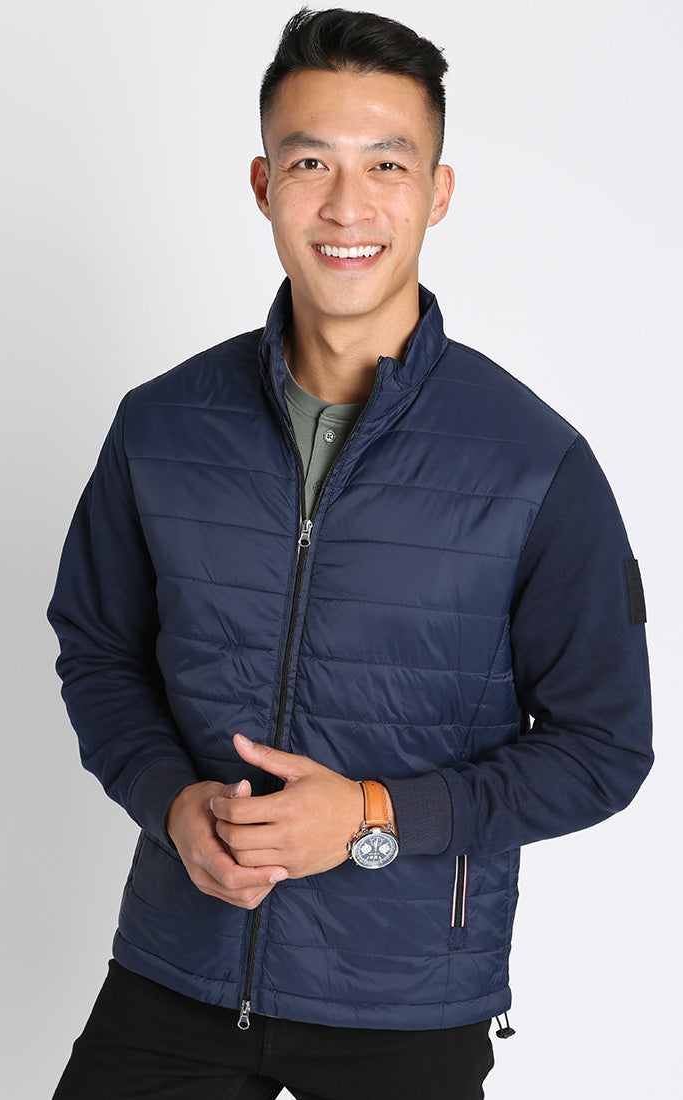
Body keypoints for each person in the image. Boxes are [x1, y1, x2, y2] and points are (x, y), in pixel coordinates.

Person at [47, 7, 653, 1099]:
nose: (346, 204)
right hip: (177, 968)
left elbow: (603, 747)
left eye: (387, 163)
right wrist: (170, 800)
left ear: (438, 192)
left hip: (408, 1000)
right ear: (262, 184)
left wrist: (374, 815)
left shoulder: (536, 464)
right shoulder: (160, 426)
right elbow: (97, 650)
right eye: (309, 162)